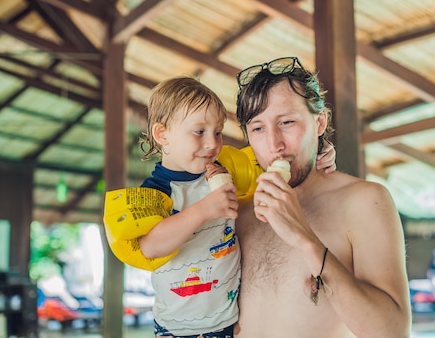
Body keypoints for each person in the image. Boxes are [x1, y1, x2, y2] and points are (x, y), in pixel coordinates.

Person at [135, 76, 336, 338]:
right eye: (199, 132)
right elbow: (150, 247)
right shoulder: (154, 191)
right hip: (178, 329)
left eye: (217, 132)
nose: (212, 143)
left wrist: (320, 151)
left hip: (228, 324)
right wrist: (205, 210)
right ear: (162, 134)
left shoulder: (227, 169)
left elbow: (276, 160)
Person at [233, 56, 412, 337]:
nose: (274, 144)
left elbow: (392, 332)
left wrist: (305, 238)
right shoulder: (238, 214)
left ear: (319, 123)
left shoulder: (365, 201)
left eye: (287, 122)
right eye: (258, 128)